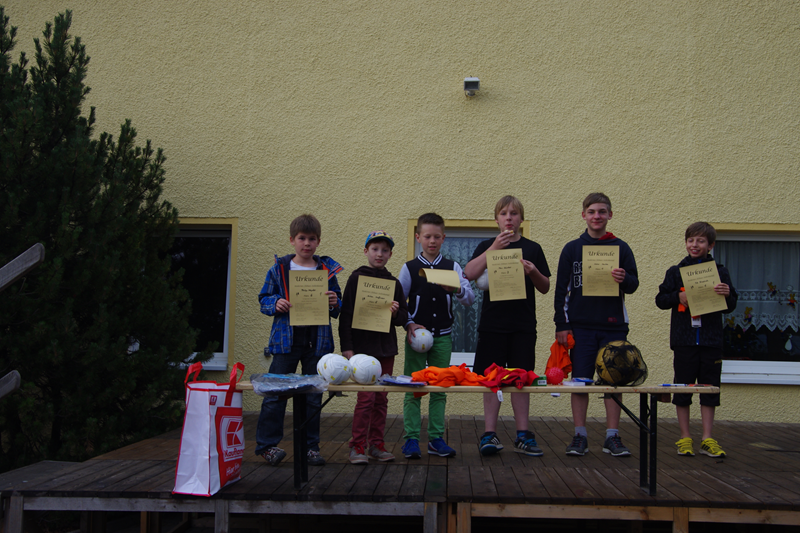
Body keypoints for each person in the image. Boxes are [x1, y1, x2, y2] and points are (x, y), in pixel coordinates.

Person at [464, 196, 551, 457]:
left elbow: (545, 287)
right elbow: (469, 273)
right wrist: (493, 248)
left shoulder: (533, 248)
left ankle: (522, 434)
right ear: (497, 219)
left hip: (522, 325)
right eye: (504, 213)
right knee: (492, 380)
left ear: (521, 219)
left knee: (521, 379)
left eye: (514, 213)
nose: (509, 218)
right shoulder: (486, 245)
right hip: (492, 325)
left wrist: (533, 271)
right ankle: (489, 434)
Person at [554, 192, 639, 457]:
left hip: (614, 326)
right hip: (580, 327)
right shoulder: (571, 249)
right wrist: (561, 325)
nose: (597, 216)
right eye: (591, 212)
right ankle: (580, 435)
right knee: (580, 382)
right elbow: (561, 291)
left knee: (614, 381)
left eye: (602, 211)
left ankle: (612, 436)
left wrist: (624, 278)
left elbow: (634, 284)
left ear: (610, 215)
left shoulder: (621, 248)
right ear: (584, 215)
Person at [255, 214, 343, 467]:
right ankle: (267, 446)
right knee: (275, 393)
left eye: (312, 239)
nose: (307, 243)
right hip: (285, 342)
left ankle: (309, 448)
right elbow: (263, 299)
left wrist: (334, 302)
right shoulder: (279, 269)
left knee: (313, 397)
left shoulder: (326, 271)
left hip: (318, 342)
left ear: (318, 242)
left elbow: (338, 304)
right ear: (292, 240)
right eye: (302, 238)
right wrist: (276, 303)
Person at [656, 222, 737, 458]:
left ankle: (707, 438)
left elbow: (731, 305)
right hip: (684, 340)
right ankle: (685, 437)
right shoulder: (675, 271)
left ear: (710, 245)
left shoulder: (720, 271)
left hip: (711, 340)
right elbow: (660, 300)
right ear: (685, 243)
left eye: (701, 241)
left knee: (709, 390)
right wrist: (677, 296)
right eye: (691, 240)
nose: (695, 244)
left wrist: (727, 294)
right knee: (682, 389)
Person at [398, 213, 475, 459]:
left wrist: (457, 289)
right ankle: (411, 439)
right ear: (418, 237)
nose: (432, 241)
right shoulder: (410, 268)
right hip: (416, 338)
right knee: (413, 387)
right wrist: (409, 323)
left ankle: (435, 439)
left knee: (440, 388)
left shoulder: (453, 267)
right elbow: (399, 302)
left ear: (444, 238)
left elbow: (470, 299)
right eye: (427, 236)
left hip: (443, 337)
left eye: (436, 237)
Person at [339, 231, 409, 464]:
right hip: (362, 351)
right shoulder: (356, 278)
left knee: (381, 398)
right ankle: (357, 445)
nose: (380, 254)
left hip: (386, 350)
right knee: (366, 398)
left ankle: (376, 445)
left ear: (390, 254)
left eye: (385, 250)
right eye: (375, 249)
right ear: (366, 251)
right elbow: (346, 315)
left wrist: (396, 313)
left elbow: (403, 318)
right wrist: (347, 347)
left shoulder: (394, 283)